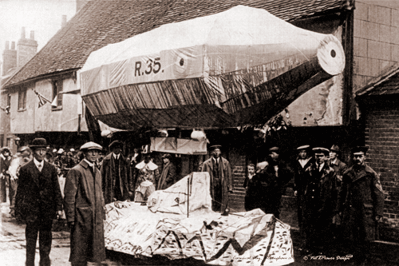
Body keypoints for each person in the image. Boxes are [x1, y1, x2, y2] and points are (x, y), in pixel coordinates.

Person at [14, 138, 63, 266]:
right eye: (38, 150)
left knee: (46, 241)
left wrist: (59, 208)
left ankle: (45, 263)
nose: (41, 153)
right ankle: (29, 263)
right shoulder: (25, 169)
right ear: (33, 152)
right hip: (31, 212)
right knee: (30, 241)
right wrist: (18, 210)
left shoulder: (51, 169)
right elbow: (20, 192)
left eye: (43, 150)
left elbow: (56, 190)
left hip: (47, 211)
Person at [339, 146, 384, 264]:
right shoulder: (347, 173)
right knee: (352, 236)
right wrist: (339, 209)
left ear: (365, 157)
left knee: (365, 237)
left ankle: (365, 259)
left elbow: (379, 195)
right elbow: (342, 193)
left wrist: (378, 213)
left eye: (360, 156)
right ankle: (355, 258)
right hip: (351, 210)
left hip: (365, 211)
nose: (357, 158)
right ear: (352, 157)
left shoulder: (370, 174)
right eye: (355, 156)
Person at [64, 141, 106, 266]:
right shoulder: (76, 171)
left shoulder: (97, 172)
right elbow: (69, 196)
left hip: (95, 217)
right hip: (81, 218)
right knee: (79, 253)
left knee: (93, 253)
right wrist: (71, 217)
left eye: (96, 152)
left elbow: (100, 194)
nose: (94, 154)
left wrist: (102, 213)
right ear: (84, 154)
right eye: (90, 151)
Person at [302, 147, 337, 255]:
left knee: (323, 226)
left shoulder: (330, 172)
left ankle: (322, 248)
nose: (319, 158)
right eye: (317, 156)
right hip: (311, 203)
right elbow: (305, 187)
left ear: (326, 158)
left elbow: (334, 190)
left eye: (321, 156)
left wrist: (332, 206)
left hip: (324, 203)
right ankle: (311, 247)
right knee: (311, 225)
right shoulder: (309, 170)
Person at [251, 147, 293, 218]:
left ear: (278, 154)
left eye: (274, 154)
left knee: (276, 209)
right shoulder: (267, 163)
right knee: (267, 209)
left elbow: (289, 174)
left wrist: (280, 177)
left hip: (277, 190)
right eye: (271, 154)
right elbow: (262, 175)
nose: (272, 155)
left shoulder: (282, 164)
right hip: (267, 190)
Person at [202, 145, 233, 213]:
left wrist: (230, 187)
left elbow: (229, 175)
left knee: (222, 201)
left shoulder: (226, 162)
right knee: (211, 200)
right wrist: (202, 188)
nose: (216, 153)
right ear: (212, 152)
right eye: (214, 151)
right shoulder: (206, 164)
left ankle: (220, 213)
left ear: (220, 152)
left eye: (218, 151)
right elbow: (202, 177)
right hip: (211, 185)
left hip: (222, 185)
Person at [293, 145, 313, 238]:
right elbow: (295, 177)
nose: (303, 154)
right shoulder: (297, 162)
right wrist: (295, 188)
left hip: (309, 189)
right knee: (300, 210)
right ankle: (301, 231)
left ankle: (307, 231)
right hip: (300, 189)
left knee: (308, 210)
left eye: (305, 152)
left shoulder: (311, 162)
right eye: (301, 152)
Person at [329, 144, 347, 241]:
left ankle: (337, 237)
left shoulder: (342, 165)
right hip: (328, 193)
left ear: (337, 155)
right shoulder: (327, 163)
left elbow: (343, 181)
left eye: (333, 152)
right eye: (330, 152)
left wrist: (334, 174)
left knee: (337, 217)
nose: (330, 154)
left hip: (337, 194)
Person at [8, 146, 32, 217]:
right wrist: (15, 176)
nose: (23, 154)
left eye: (25, 152)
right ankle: (13, 209)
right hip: (18, 180)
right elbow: (12, 170)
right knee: (17, 194)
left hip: (28, 180)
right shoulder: (16, 160)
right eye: (22, 152)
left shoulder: (31, 160)